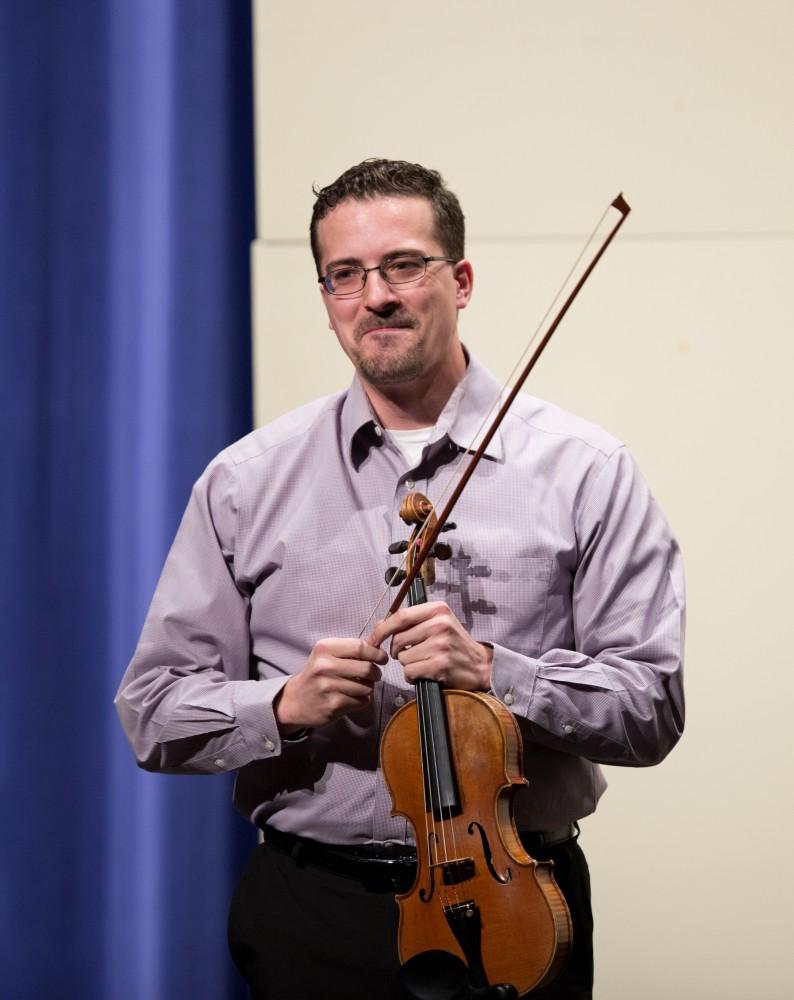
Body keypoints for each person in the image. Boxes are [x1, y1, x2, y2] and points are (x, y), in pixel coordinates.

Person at [116, 158, 685, 1000]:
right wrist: (281, 707)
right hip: (315, 914)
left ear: (460, 280)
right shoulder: (245, 482)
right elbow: (153, 711)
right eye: (345, 275)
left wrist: (499, 674)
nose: (374, 295)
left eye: (403, 265)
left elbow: (652, 710)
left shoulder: (585, 470)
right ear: (326, 298)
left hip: (519, 909)